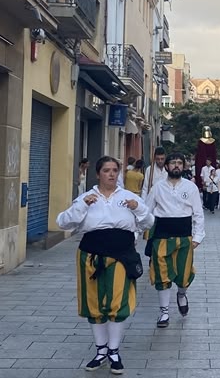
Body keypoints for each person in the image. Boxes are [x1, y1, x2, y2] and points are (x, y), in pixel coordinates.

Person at [56, 156, 153, 375]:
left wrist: (138, 208)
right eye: (106, 170)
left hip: (121, 255)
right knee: (94, 303)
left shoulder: (129, 197)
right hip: (91, 255)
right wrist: (82, 205)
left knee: (117, 302)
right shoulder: (86, 198)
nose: (111, 174)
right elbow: (63, 222)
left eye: (114, 170)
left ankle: (114, 351)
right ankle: (100, 351)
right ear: (98, 173)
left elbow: (149, 222)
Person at [142, 153, 205, 325]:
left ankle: (181, 294)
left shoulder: (190, 187)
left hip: (184, 237)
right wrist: (140, 230)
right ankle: (164, 312)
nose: (176, 166)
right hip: (162, 236)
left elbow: (198, 214)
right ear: (167, 166)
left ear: (184, 166)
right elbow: (147, 211)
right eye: (173, 163)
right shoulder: (157, 187)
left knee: (184, 274)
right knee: (162, 274)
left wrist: (198, 237)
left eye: (179, 163)